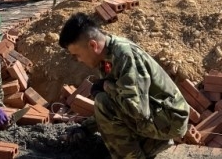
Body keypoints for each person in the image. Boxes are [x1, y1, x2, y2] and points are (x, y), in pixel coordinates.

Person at [58, 13, 189, 159]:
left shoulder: (124, 56)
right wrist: (86, 128)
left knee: (102, 100)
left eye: (77, 55)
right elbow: (119, 102)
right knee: (104, 100)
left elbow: (137, 110)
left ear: (92, 45)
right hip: (157, 113)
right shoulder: (107, 55)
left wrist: (107, 86)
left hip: (169, 119)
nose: (77, 60)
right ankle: (152, 143)